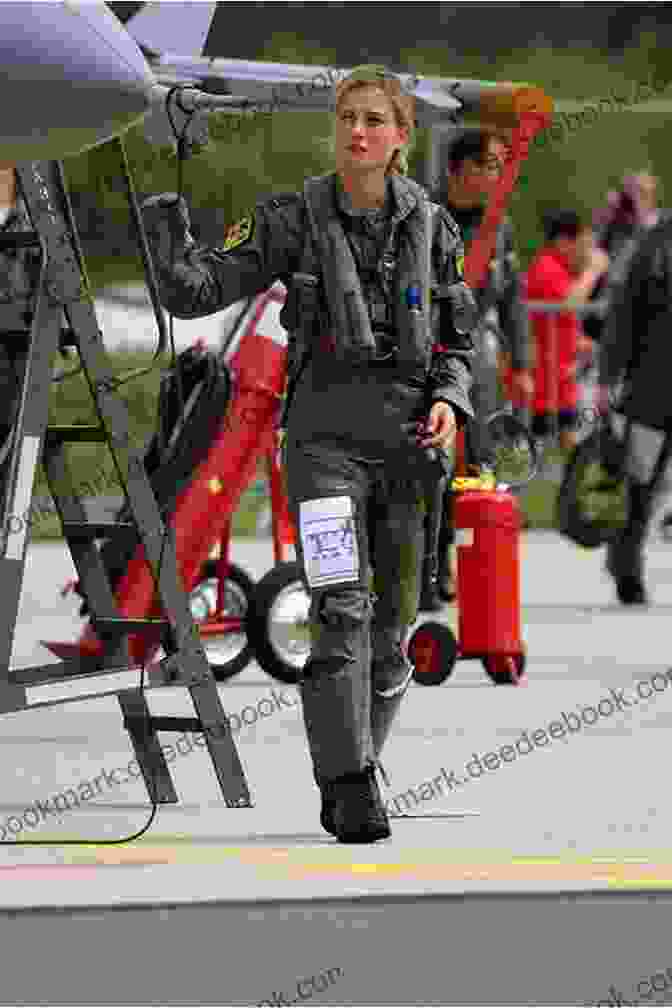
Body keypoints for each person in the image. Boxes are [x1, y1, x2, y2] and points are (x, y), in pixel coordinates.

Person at [140, 66, 477, 843]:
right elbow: (194, 291)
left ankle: (362, 761)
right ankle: (347, 782)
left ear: (400, 137)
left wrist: (448, 402)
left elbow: (458, 343)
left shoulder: (435, 229)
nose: (357, 131)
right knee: (341, 608)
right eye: (347, 118)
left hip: (407, 453)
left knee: (393, 634)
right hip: (324, 448)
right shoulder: (292, 219)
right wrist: (169, 206)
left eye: (373, 120)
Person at [420, 128, 532, 610]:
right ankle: (424, 566)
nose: (495, 176)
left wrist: (523, 363)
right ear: (459, 170)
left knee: (476, 467)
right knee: (429, 465)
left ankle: (469, 566)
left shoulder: (497, 227)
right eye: (488, 165)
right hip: (425, 356)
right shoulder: (422, 216)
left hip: (477, 363)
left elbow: (513, 298)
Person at [599, 213, 672, 605]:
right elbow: (625, 311)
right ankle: (626, 562)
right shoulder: (654, 243)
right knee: (641, 481)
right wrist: (610, 375)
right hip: (653, 387)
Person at [525, 210, 609, 452]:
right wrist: (593, 271)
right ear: (563, 242)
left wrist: (581, 342)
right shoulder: (547, 266)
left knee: (567, 447)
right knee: (545, 453)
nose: (584, 251)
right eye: (581, 244)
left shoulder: (558, 268)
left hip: (561, 379)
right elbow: (569, 302)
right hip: (546, 383)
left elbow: (562, 319)